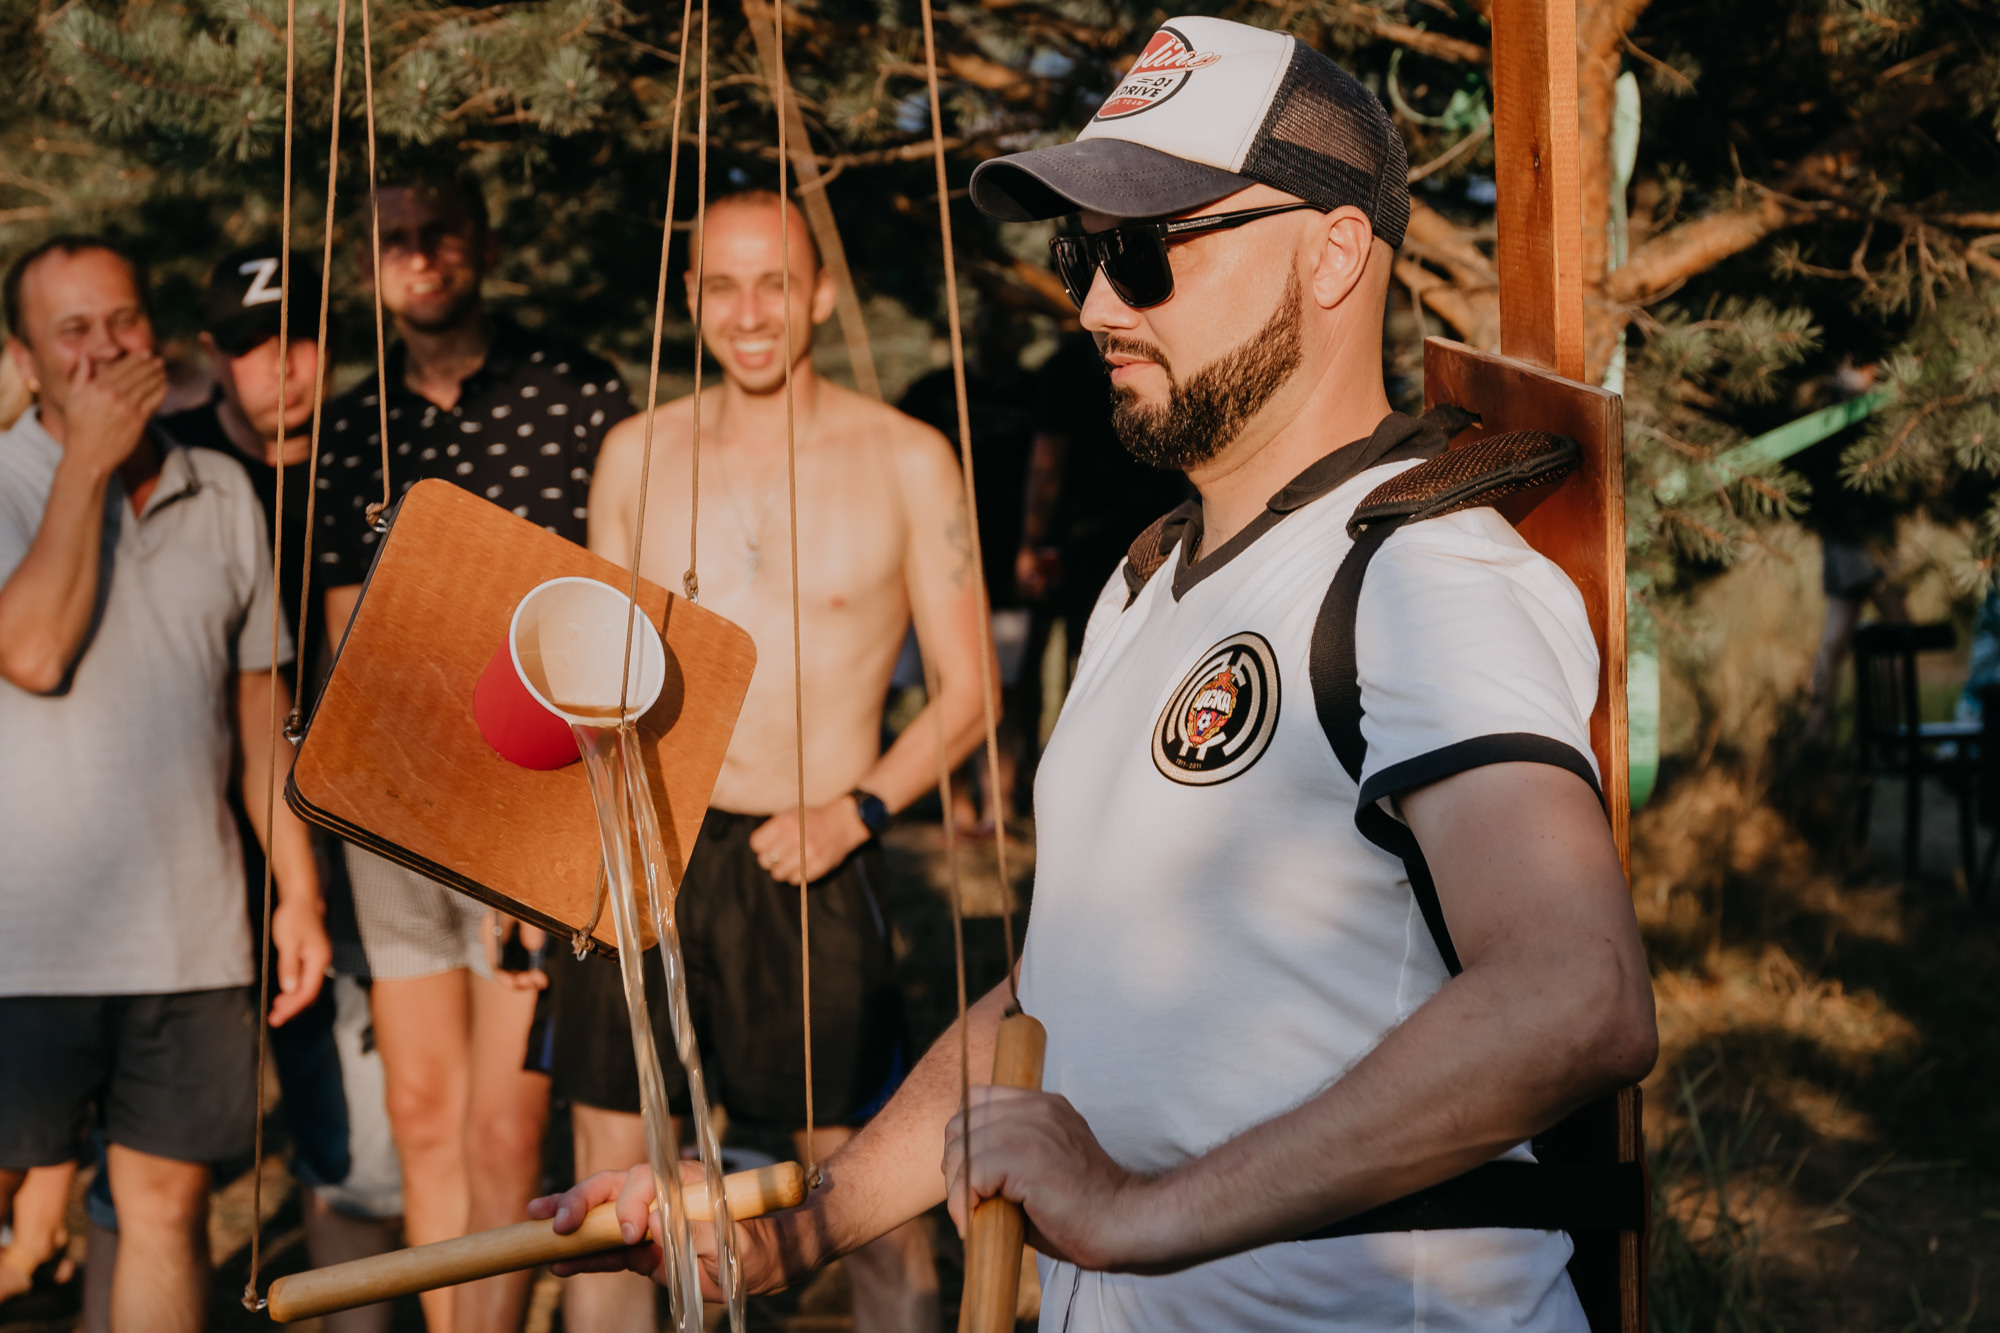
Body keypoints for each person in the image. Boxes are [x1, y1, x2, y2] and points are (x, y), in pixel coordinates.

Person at [540, 20, 1657, 1332]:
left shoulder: (1418, 574)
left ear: (1336, 248)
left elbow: (1576, 992)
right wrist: (793, 1232)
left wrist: (1138, 1213)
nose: (1094, 305)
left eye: (1147, 253)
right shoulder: (1144, 582)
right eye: (1083, 255)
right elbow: (1054, 989)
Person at [548, 185, 994, 1333]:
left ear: (821, 295)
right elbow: (587, 686)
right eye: (721, 285)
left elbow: (971, 692)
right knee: (613, 1190)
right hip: (646, 856)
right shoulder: (634, 456)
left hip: (814, 859)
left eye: (775, 283)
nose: (749, 312)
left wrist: (860, 808)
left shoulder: (905, 458)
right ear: (691, 298)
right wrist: (549, 861)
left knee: (863, 1192)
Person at [312, 173, 632, 1333]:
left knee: (505, 1126)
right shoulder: (351, 425)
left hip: (533, 798)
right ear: (371, 264)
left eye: (441, 232)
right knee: (423, 1106)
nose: (420, 255)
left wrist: (545, 829)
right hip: (395, 808)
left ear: (482, 244)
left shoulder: (576, 391)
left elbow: (607, 600)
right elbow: (352, 630)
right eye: (395, 239)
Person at [0, 234, 330, 1333]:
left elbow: (256, 714)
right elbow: (34, 651)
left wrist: (299, 890)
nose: (107, 349)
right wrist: (87, 461)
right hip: (22, 943)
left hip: (191, 939)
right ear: (25, 358)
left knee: (166, 1209)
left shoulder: (224, 491)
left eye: (124, 321)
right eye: (73, 331)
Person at [152, 246, 406, 1333]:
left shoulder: (372, 454)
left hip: (344, 843)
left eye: (299, 337)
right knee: (156, 1149)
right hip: (186, 846)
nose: (282, 366)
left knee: (352, 1139)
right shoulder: (166, 465)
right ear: (215, 355)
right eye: (252, 345)